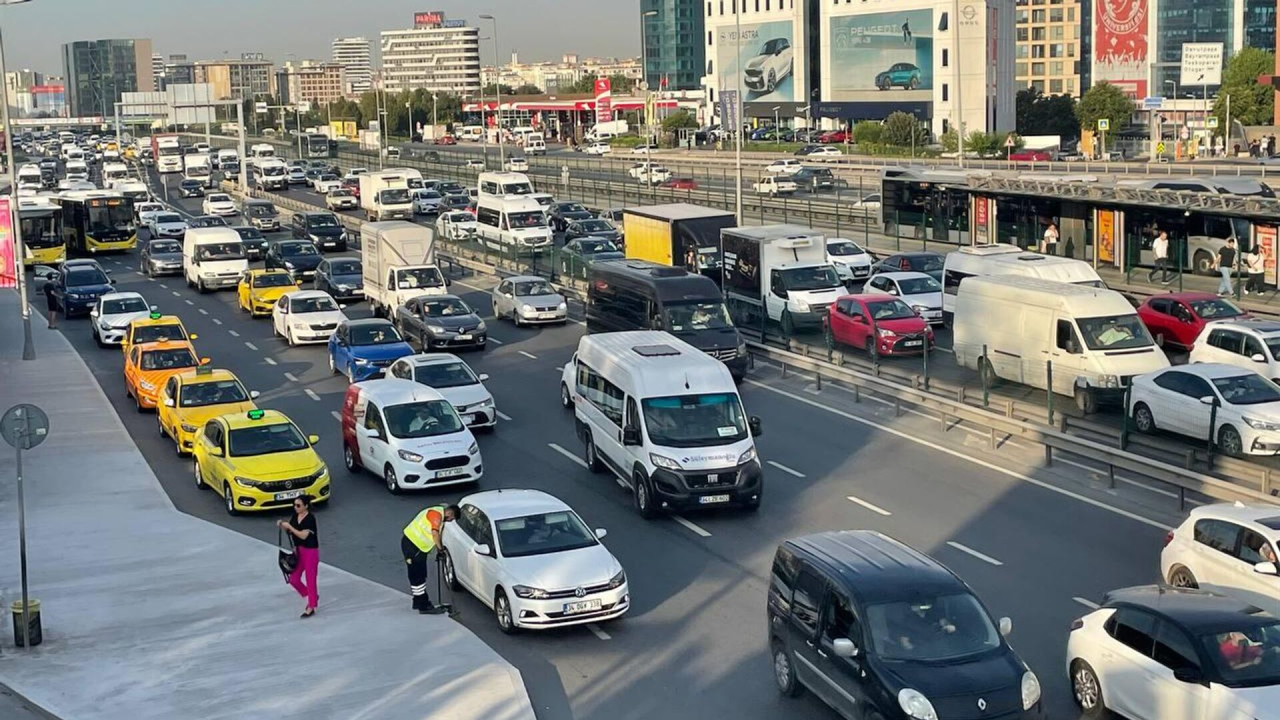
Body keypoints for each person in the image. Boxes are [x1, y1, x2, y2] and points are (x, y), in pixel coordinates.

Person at [401, 504, 460, 614]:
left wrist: (439, 549)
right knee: (417, 577)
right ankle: (423, 605)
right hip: (414, 547)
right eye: (452, 519)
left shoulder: (438, 513)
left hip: (416, 547)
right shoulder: (436, 516)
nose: (450, 521)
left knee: (419, 575)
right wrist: (440, 549)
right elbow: (434, 533)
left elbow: (438, 533)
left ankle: (418, 601)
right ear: (450, 513)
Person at [278, 495, 319, 618]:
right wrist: (284, 526)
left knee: (310, 578)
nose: (295, 507)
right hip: (298, 551)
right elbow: (291, 532)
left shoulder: (310, 519)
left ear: (306, 506)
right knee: (293, 578)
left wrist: (290, 527)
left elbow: (303, 535)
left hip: (310, 551)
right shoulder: (295, 517)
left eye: (298, 505)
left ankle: (311, 606)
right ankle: (311, 595)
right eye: (294, 505)